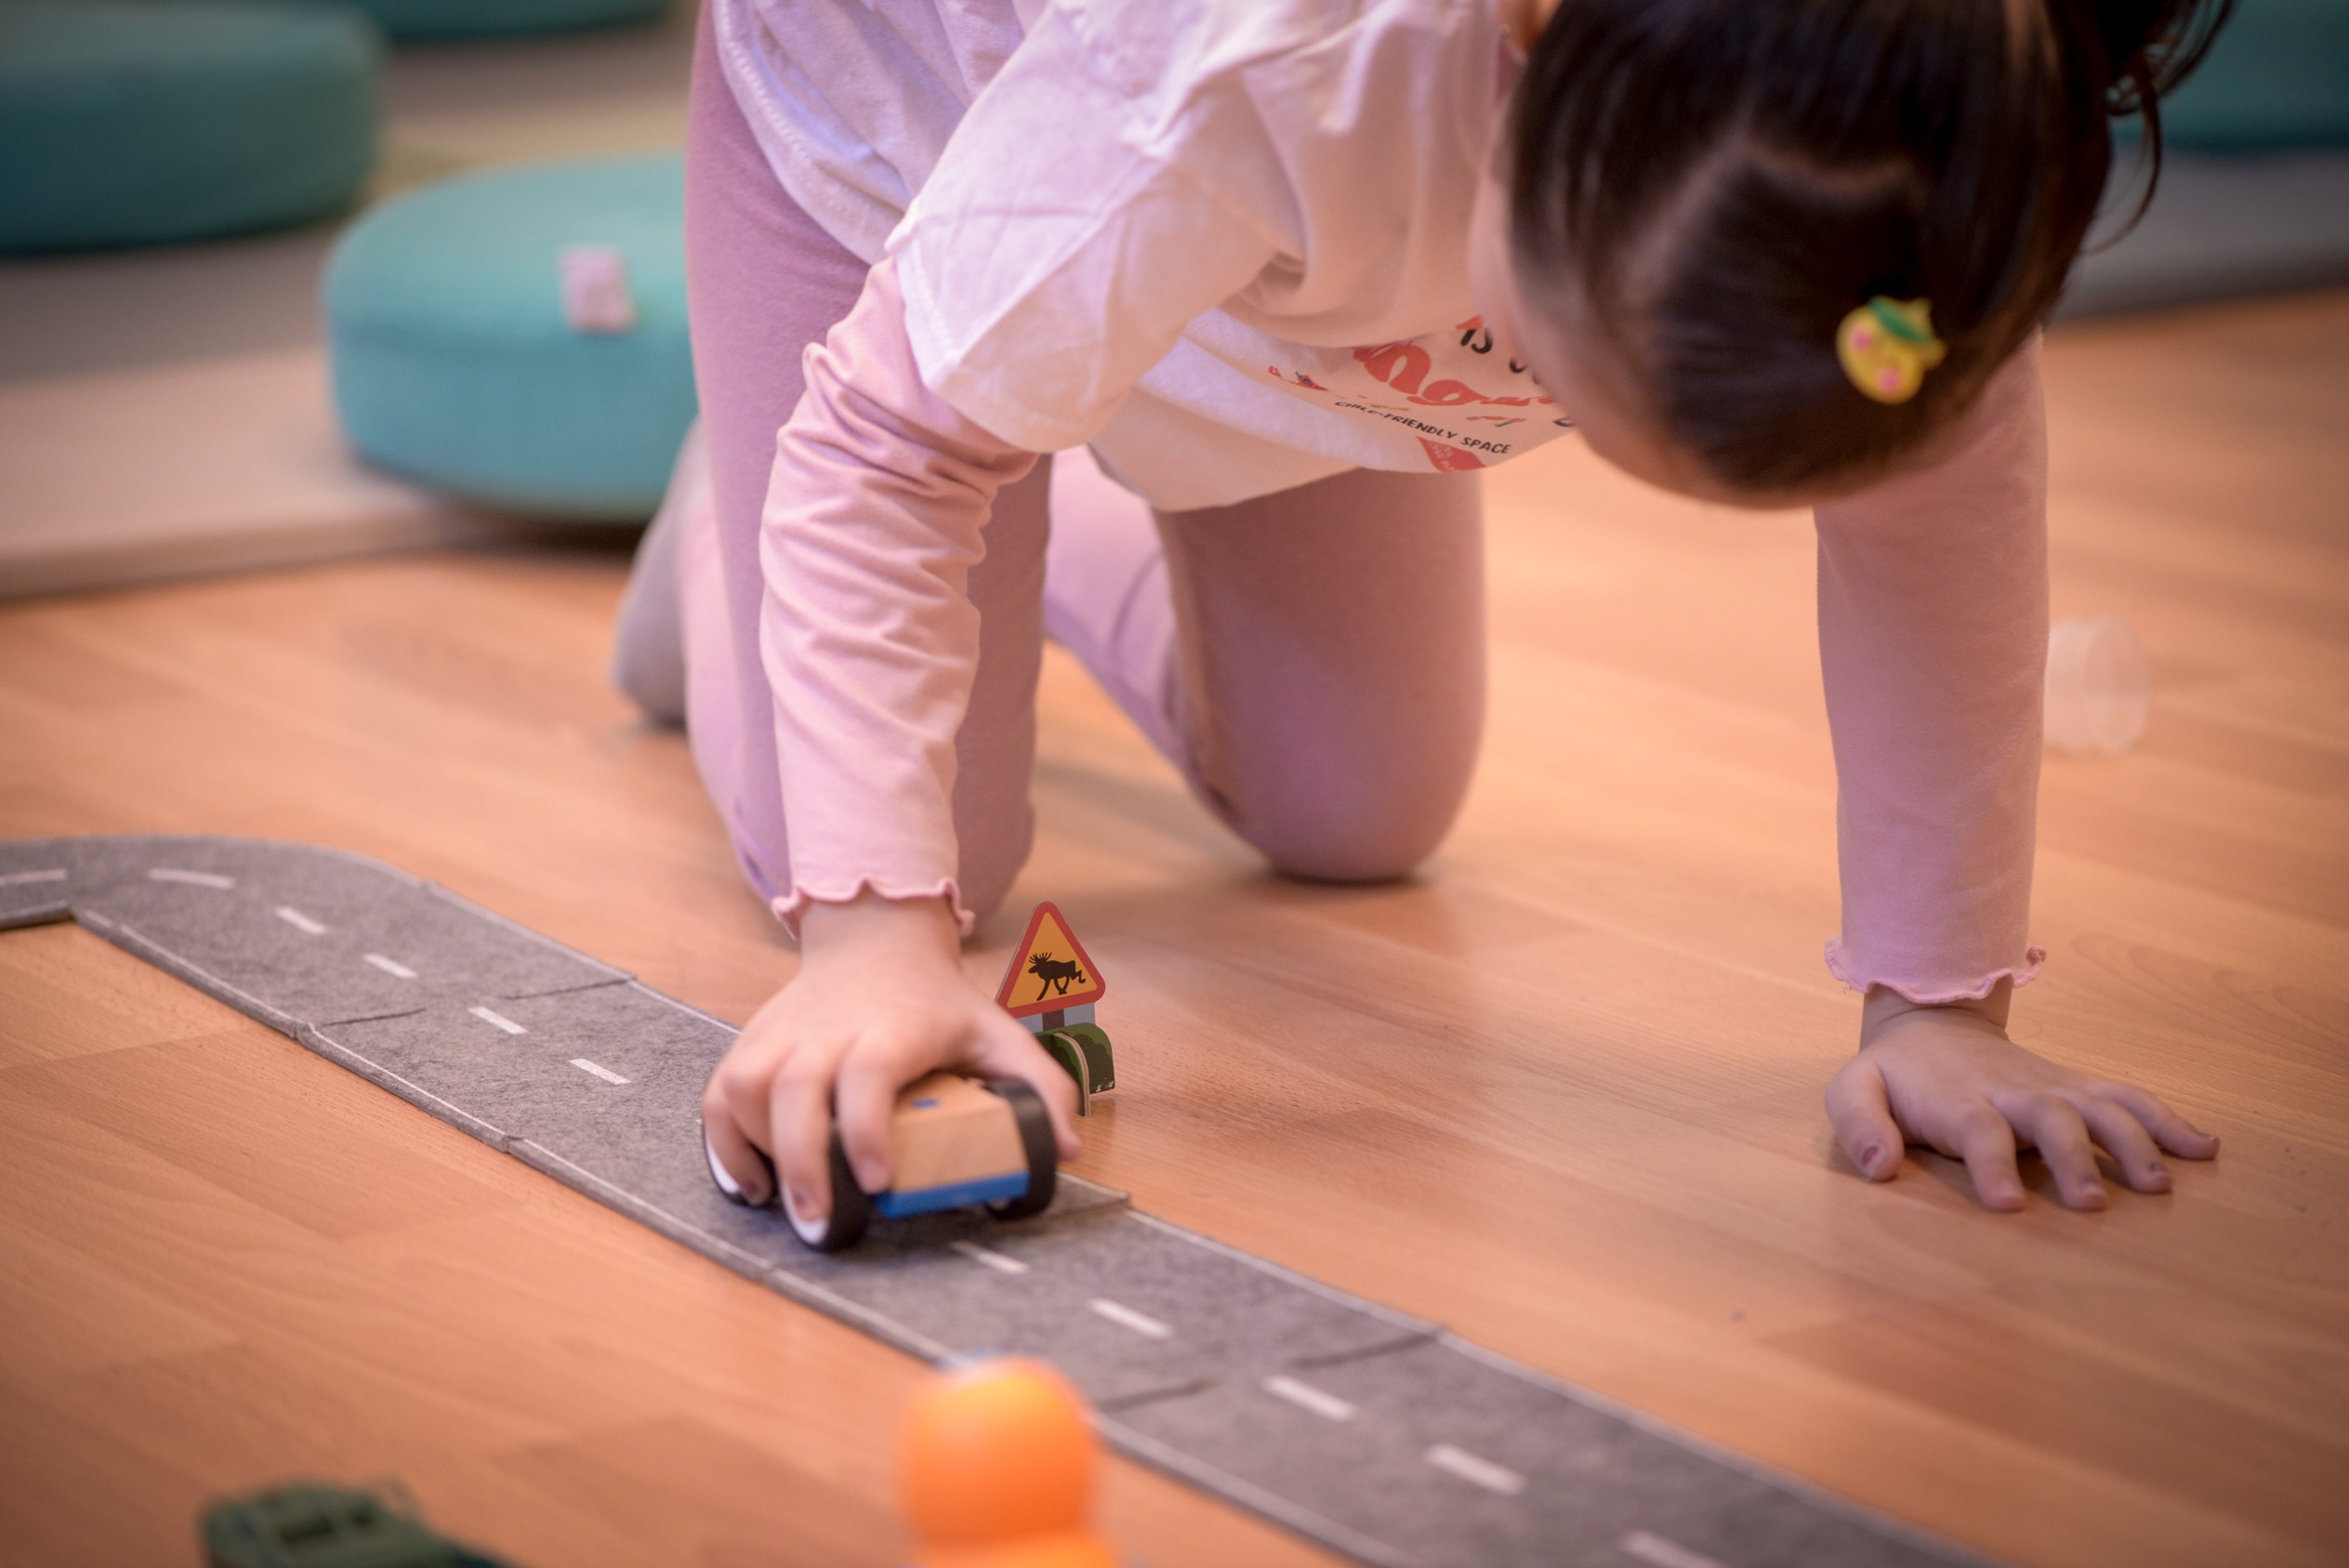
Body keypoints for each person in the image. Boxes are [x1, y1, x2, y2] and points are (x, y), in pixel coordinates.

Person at [614, 0, 2230, 1233]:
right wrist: (873, 945)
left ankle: (1022, 443)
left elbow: (1942, 536)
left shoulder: (1925, 174)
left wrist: (1941, 1006)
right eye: (1576, 376)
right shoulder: (1266, 64)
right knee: (920, 862)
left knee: (1357, 811)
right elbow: (893, 455)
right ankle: (733, 525)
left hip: (1275, 285)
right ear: (1527, 67)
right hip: (907, 142)